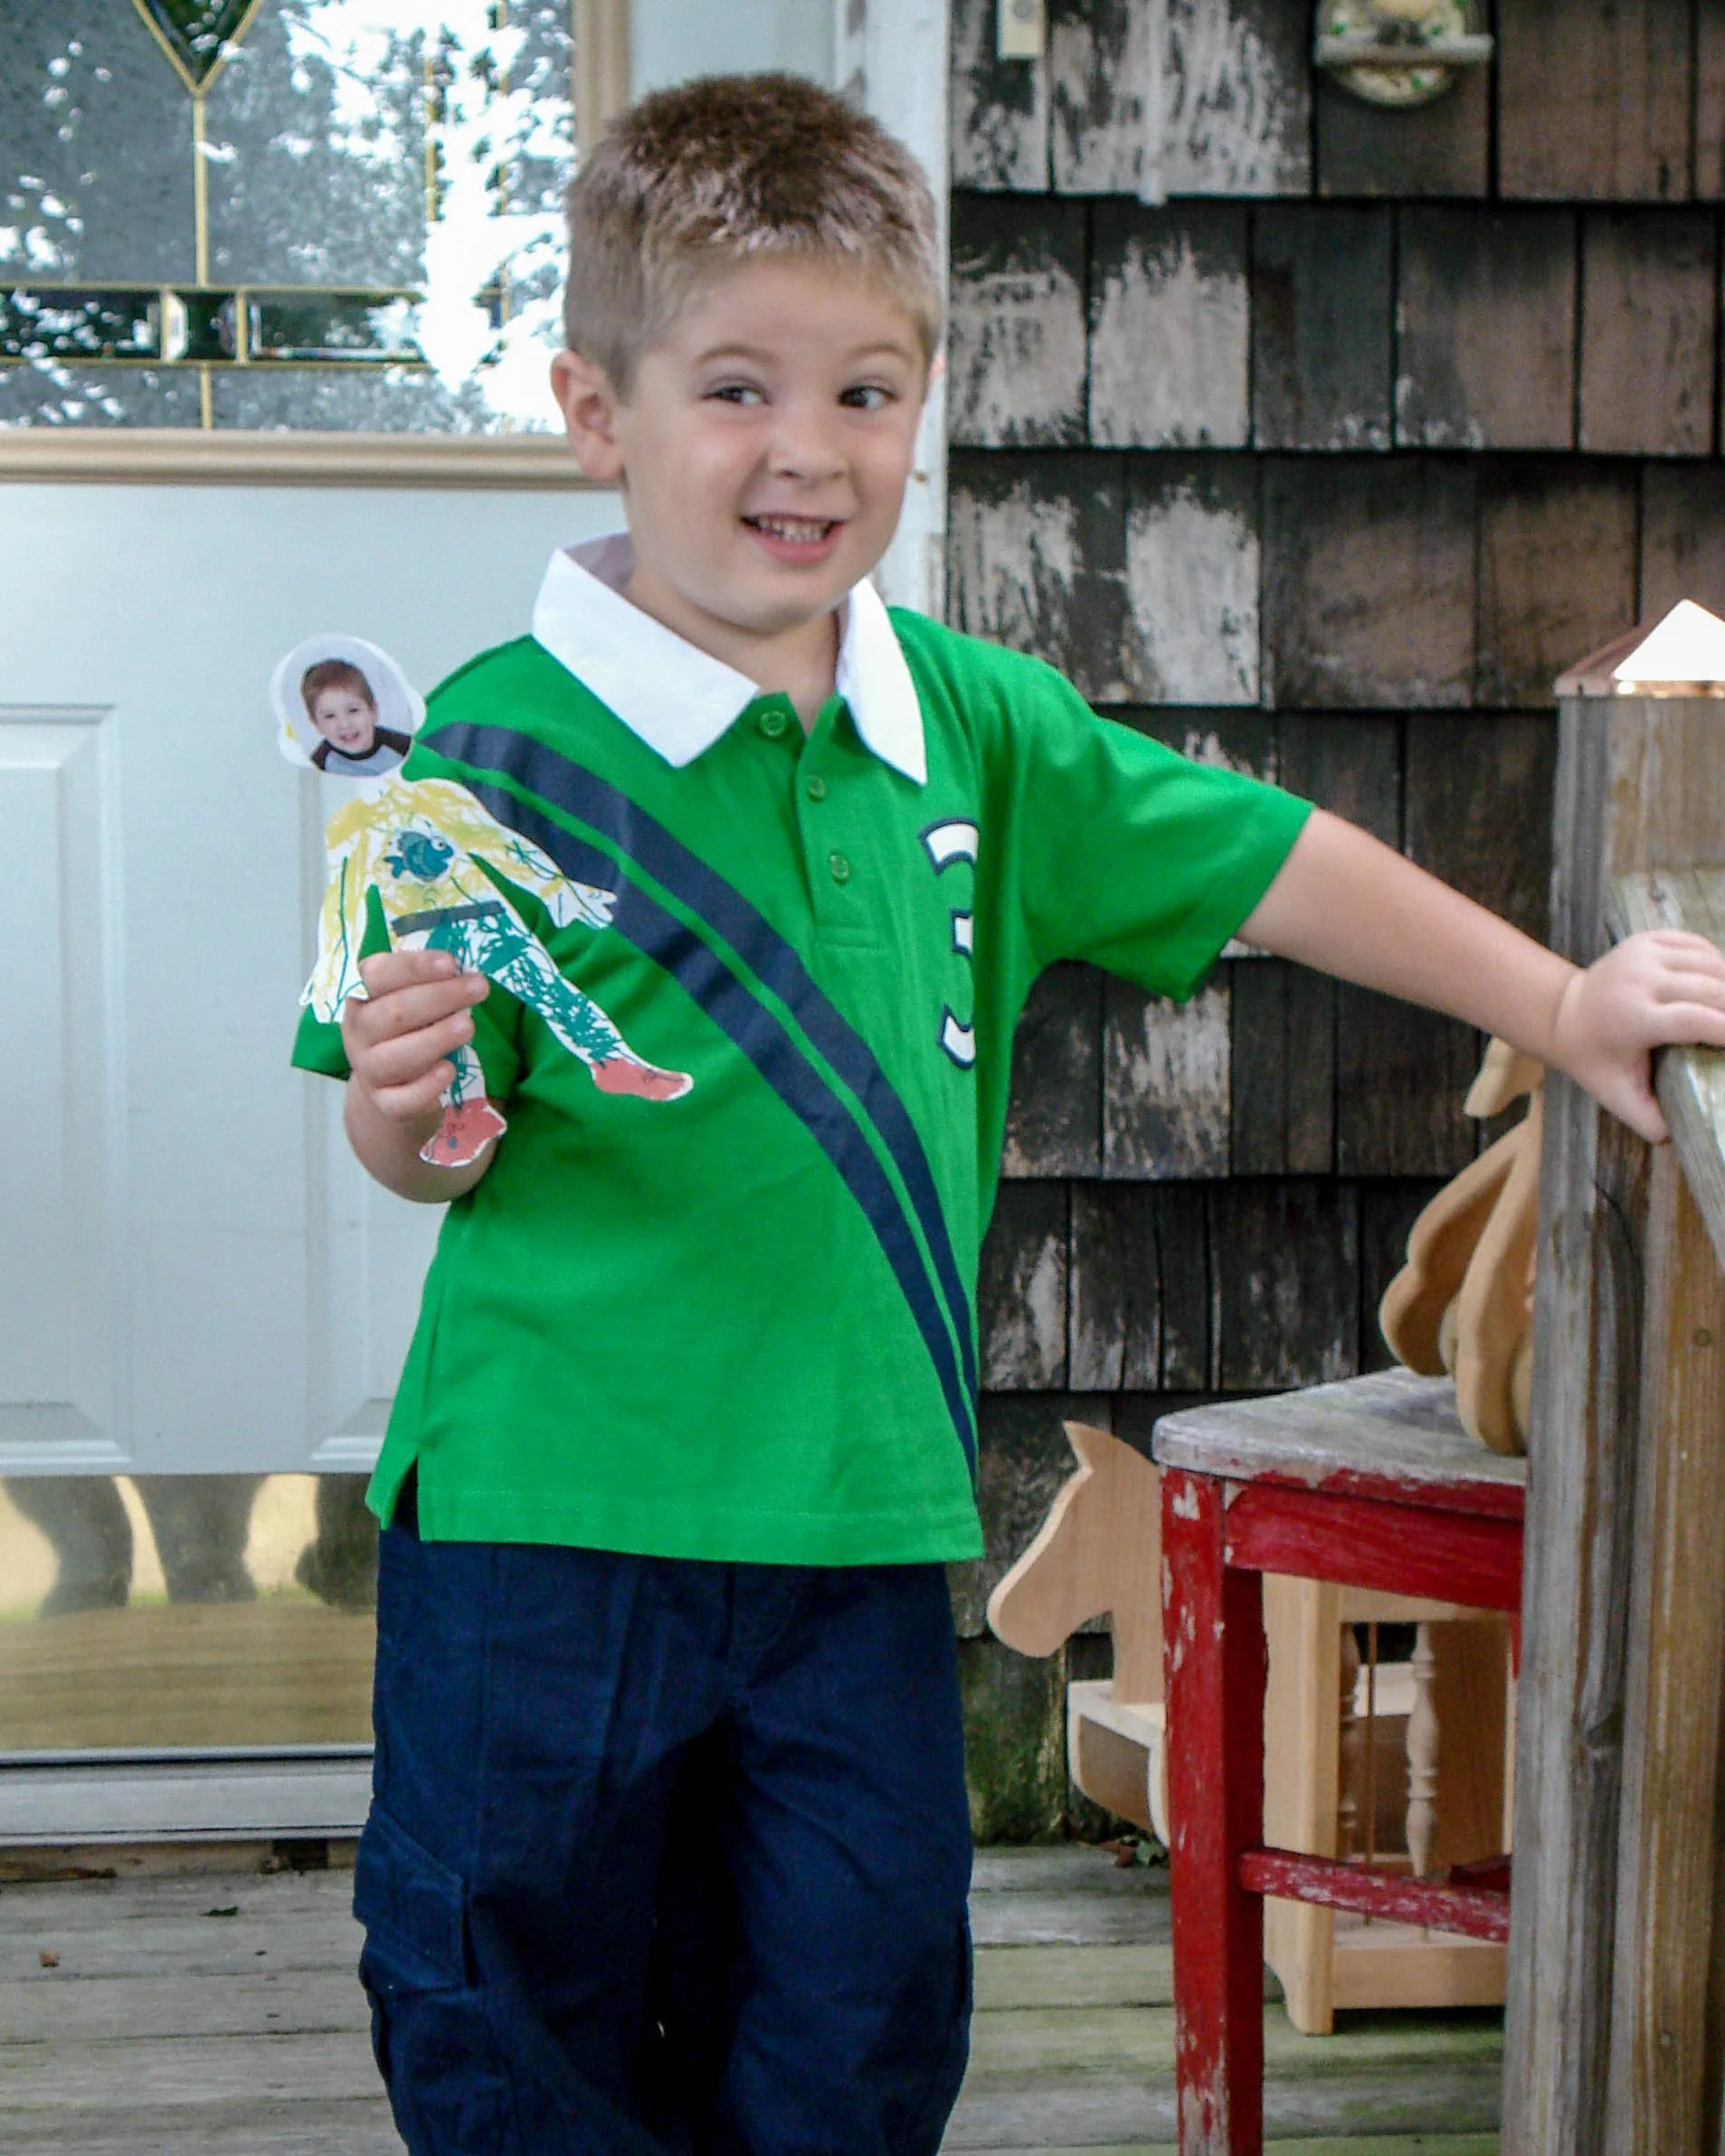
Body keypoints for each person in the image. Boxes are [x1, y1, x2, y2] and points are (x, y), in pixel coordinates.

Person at [290, 71, 1725, 2156]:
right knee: (511, 2008)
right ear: (595, 410)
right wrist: (411, 1108)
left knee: (861, 2010)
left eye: (864, 392)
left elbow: (1267, 861)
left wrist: (1559, 1001)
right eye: (735, 388)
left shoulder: (974, 726)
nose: (807, 446)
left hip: (857, 1524)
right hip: (542, 1520)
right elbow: (411, 1140)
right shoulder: (480, 753)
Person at [301, 657, 412, 776]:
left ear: (373, 711)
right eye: (330, 716)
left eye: (353, 710)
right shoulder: (318, 765)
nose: (344, 724)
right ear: (316, 724)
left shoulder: (404, 747)